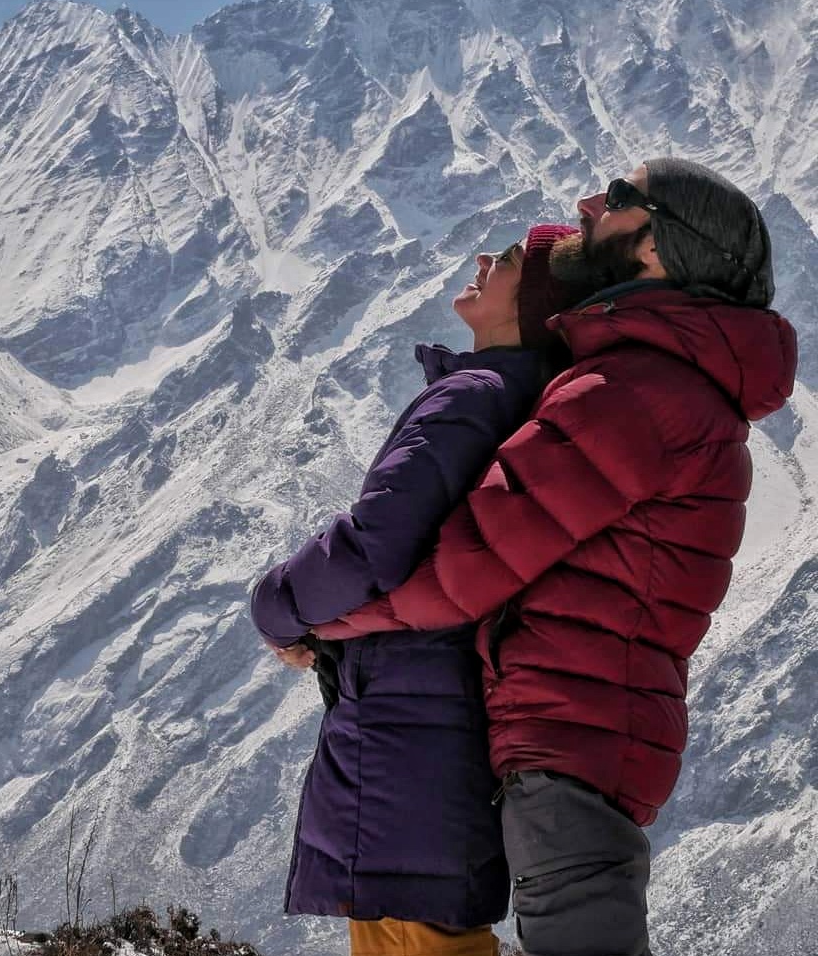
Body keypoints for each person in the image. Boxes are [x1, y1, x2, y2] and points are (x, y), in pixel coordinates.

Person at [312, 159, 799, 956]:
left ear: (655, 253)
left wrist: (323, 616)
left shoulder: (632, 392)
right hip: (585, 726)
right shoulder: (655, 382)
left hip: (574, 735)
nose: (586, 204)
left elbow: (468, 567)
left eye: (615, 199)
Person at [252, 225, 594, 956]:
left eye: (504, 262)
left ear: (536, 304)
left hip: (406, 727)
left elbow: (375, 542)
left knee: (412, 932)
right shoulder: (522, 400)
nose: (481, 261)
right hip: (445, 715)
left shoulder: (473, 397)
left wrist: (279, 608)